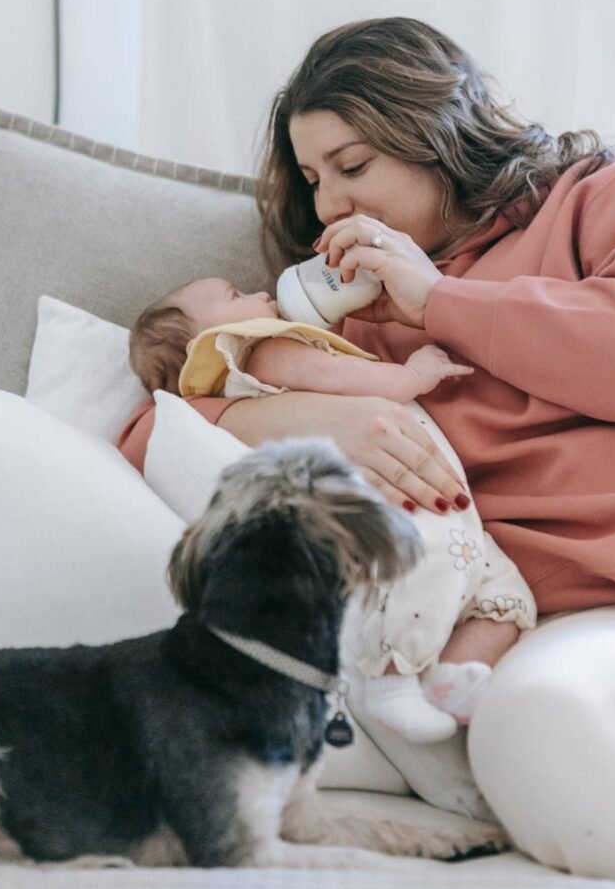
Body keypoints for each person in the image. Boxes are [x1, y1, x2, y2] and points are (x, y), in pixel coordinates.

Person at [119, 17, 615, 875]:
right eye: (313, 179)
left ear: (437, 134)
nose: (329, 205)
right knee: (538, 728)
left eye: (353, 167)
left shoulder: (590, 198)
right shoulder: (341, 327)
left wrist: (439, 303)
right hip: (555, 625)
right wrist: (309, 419)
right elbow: (150, 429)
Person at [129, 275, 536, 743]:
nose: (260, 294)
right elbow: (335, 375)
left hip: (445, 506)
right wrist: (412, 376)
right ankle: (390, 677)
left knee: (505, 592)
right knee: (428, 564)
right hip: (399, 498)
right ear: (204, 344)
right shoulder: (258, 350)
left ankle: (452, 677)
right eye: (236, 297)